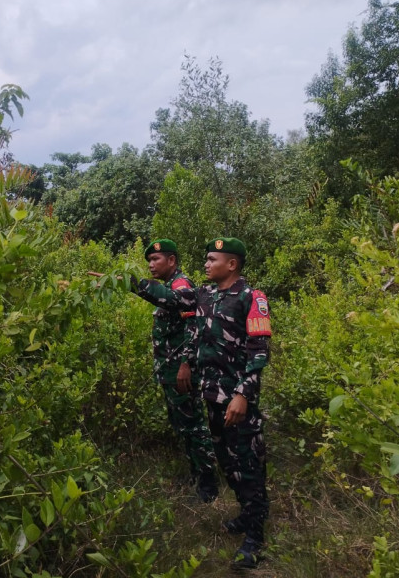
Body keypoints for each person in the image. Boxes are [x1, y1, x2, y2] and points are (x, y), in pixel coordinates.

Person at [134, 237, 271, 569]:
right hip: (210, 395)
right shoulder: (206, 295)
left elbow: (259, 351)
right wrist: (132, 283)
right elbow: (171, 299)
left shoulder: (252, 298)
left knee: (248, 465)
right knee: (227, 460)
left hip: (237, 399)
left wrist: (242, 395)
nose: (206, 264)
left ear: (232, 264)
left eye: (212, 259)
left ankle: (255, 536)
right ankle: (244, 514)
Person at [142, 238, 219, 503]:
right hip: (169, 371)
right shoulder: (168, 286)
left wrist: (186, 365)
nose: (151, 265)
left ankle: (209, 485)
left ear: (172, 261)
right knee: (182, 425)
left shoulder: (181, 286)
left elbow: (192, 327)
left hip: (181, 372)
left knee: (194, 426)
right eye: (149, 261)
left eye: (156, 259)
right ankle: (196, 474)